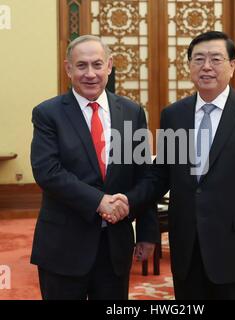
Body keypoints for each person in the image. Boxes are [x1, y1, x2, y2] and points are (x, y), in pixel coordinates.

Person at [121, 31, 235, 300]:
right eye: (198, 59)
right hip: (187, 246)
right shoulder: (174, 115)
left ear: (232, 66)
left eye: (216, 59)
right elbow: (160, 176)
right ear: (189, 65)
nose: (206, 66)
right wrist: (127, 201)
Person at [30, 35, 159, 300]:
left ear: (109, 66)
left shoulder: (132, 112)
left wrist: (147, 232)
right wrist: (99, 201)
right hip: (63, 247)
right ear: (68, 68)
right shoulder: (48, 113)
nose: (90, 73)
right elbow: (47, 171)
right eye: (81, 66)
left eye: (97, 65)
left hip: (114, 248)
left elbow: (144, 174)